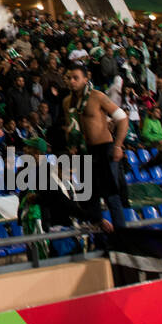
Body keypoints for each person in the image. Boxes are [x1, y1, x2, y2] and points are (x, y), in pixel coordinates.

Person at [62, 64, 131, 228]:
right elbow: (69, 127)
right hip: (83, 152)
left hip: (103, 149)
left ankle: (120, 238)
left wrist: (118, 145)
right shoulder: (66, 102)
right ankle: (100, 240)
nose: (71, 81)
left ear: (86, 79)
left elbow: (122, 118)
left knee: (111, 197)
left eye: (75, 78)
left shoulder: (97, 97)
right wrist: (70, 147)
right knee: (89, 198)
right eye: (69, 78)